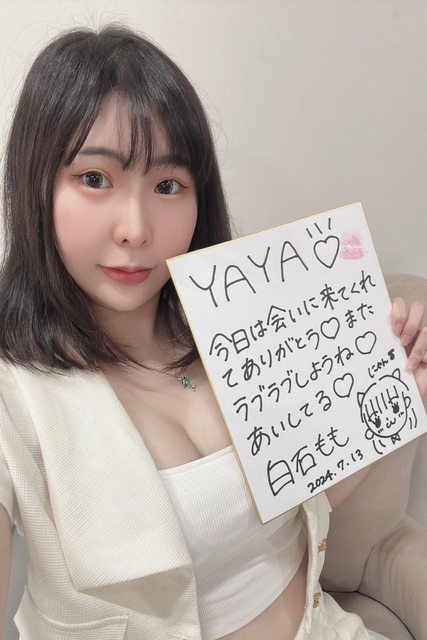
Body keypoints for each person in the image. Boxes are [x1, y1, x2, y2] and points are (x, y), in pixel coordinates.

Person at [0, 24, 425, 640]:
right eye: (95, 178)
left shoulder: (244, 324)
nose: (135, 228)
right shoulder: (16, 393)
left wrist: (389, 396)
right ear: (35, 183)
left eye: (167, 185)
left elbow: (296, 501)